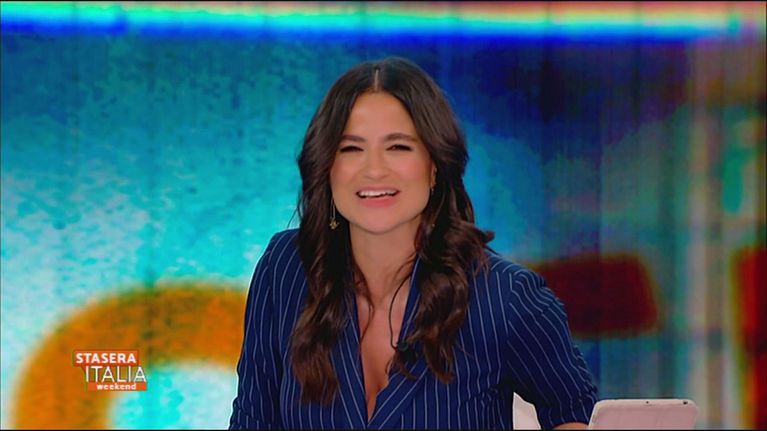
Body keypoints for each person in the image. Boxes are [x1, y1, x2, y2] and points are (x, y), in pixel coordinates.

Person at [229, 56, 598, 430]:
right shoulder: (286, 268)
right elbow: (253, 419)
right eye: (351, 149)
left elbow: (573, 411)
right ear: (327, 166)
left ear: (434, 164)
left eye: (398, 147)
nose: (374, 170)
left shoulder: (505, 295)